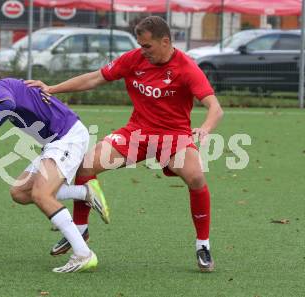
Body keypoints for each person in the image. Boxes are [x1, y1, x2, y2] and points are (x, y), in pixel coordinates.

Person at [25, 16, 224, 272]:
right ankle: (80, 231)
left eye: (147, 46)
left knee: (196, 178)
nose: (143, 51)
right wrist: (52, 89)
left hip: (174, 137)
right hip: (136, 133)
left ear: (165, 41)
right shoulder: (134, 59)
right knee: (85, 166)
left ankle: (203, 245)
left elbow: (215, 108)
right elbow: (94, 78)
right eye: (140, 45)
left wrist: (205, 128)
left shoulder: (186, 67)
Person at [0, 63, 110, 273]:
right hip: (56, 143)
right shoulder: (10, 86)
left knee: (41, 194)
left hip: (67, 137)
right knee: (19, 192)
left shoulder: (0, 88)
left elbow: (7, 106)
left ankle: (83, 254)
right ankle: (84, 192)